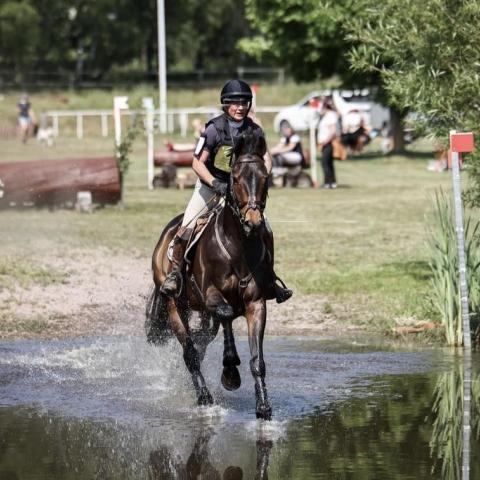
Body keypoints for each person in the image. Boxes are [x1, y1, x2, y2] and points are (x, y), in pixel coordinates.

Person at [160, 79, 292, 303]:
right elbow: (197, 163)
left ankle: (270, 279)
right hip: (212, 186)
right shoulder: (213, 129)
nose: (240, 107)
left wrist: (261, 176)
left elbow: (266, 158)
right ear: (226, 104)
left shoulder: (255, 130)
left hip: (242, 192)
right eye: (235, 102)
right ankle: (174, 273)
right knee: (189, 224)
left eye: (244, 102)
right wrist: (214, 182)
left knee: (265, 229)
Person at [317, 99, 339, 189]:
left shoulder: (330, 116)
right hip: (325, 143)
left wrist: (326, 140)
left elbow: (332, 131)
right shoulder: (326, 116)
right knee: (328, 163)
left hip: (328, 143)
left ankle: (328, 182)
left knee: (325, 163)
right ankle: (332, 182)